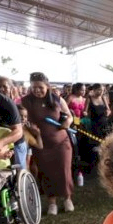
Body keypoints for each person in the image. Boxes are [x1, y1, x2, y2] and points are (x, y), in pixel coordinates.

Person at [21, 72, 74, 215]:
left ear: (47, 86)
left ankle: (67, 199)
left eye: (40, 87)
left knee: (64, 170)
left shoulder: (57, 99)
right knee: (46, 172)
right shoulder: (25, 101)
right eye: (34, 87)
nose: (37, 90)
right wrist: (29, 127)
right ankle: (52, 203)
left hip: (61, 141)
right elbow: (21, 119)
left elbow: (69, 116)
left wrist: (67, 122)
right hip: (40, 143)